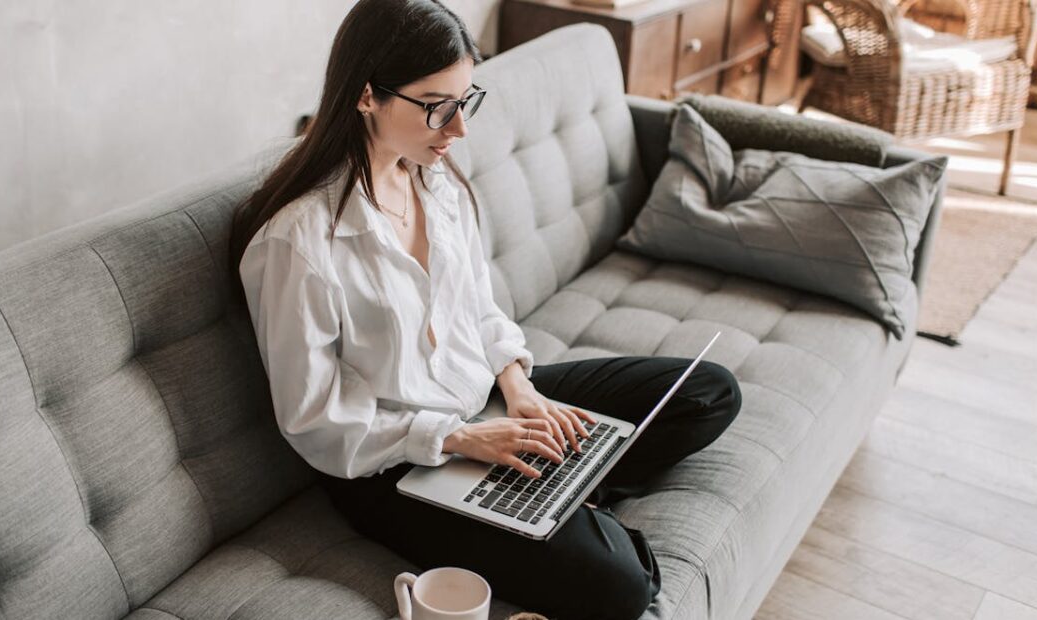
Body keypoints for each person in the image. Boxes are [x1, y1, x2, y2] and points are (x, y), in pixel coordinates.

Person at [229, 1, 742, 618]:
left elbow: (480, 308)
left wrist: (519, 387)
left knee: (707, 392)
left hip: (487, 404)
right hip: (395, 465)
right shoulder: (298, 242)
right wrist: (461, 438)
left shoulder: (434, 181)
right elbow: (316, 419)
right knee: (622, 588)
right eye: (438, 106)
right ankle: (561, 499)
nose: (459, 129)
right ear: (367, 96)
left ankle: (560, 489)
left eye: (465, 100)